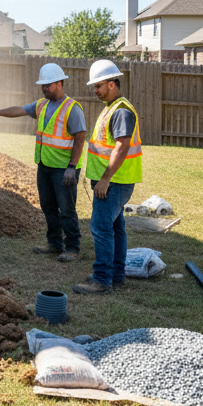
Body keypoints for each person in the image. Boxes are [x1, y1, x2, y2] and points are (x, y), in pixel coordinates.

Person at [0, 63, 87, 261]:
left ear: (60, 83)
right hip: (44, 166)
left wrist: (72, 168)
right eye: (43, 85)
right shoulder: (41, 105)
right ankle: (54, 243)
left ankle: (72, 248)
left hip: (64, 170)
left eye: (48, 85)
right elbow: (19, 110)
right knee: (48, 207)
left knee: (66, 209)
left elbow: (80, 139)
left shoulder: (72, 108)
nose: (44, 88)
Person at [73, 58, 142, 295]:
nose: (95, 91)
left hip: (114, 182)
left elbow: (121, 146)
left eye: (99, 86)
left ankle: (102, 279)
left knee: (101, 227)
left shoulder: (121, 111)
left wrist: (105, 178)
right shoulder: (113, 108)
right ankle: (116, 275)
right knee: (116, 227)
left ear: (112, 84)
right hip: (116, 181)